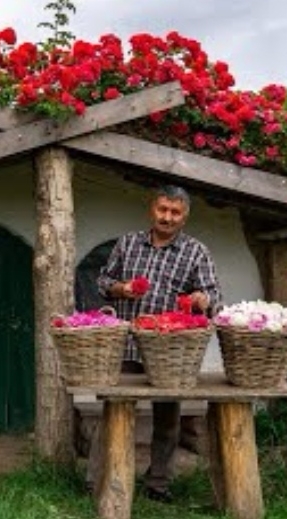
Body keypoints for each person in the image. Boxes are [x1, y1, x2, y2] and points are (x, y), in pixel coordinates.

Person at [92, 183, 222, 502]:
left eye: (175, 212)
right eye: (162, 209)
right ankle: (97, 478)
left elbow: (215, 297)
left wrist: (200, 299)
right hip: (127, 344)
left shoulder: (196, 252)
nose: (167, 217)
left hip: (170, 351)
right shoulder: (128, 244)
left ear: (184, 216)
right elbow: (102, 283)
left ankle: (158, 484)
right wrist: (121, 289)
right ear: (152, 209)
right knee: (114, 410)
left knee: (167, 418)